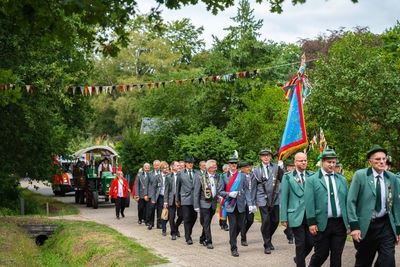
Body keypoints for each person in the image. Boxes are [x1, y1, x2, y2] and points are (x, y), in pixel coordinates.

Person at [347, 145, 400, 267]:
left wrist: (398, 228)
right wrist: (354, 226)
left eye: (383, 159)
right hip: (367, 226)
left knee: (388, 261)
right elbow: (351, 201)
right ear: (370, 162)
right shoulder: (360, 175)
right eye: (377, 159)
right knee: (364, 261)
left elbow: (396, 204)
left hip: (386, 225)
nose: (381, 162)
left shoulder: (391, 177)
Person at [304, 149, 348, 267]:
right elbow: (309, 203)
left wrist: (349, 222)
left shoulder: (341, 179)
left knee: (337, 255)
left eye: (334, 162)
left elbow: (346, 202)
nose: (332, 165)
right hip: (321, 224)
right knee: (321, 254)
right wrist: (311, 222)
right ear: (322, 161)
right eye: (329, 162)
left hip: (339, 224)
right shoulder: (312, 180)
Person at [281, 152, 314, 267]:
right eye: (301, 161)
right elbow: (284, 198)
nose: (304, 162)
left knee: (311, 242)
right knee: (300, 244)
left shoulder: (312, 176)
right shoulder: (287, 177)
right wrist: (284, 217)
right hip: (295, 215)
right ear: (295, 162)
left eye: (305, 160)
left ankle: (298, 258)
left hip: (310, 215)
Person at [218, 159, 255, 257]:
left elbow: (246, 190)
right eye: (231, 163)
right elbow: (220, 191)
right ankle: (234, 248)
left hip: (241, 204)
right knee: (233, 226)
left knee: (240, 225)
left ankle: (232, 239)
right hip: (230, 205)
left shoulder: (242, 175)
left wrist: (250, 204)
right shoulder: (223, 176)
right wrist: (229, 194)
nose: (233, 165)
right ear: (228, 165)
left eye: (235, 163)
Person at [252, 148, 284, 254]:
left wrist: (282, 168)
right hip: (262, 198)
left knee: (275, 221)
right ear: (261, 157)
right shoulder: (256, 169)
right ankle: (266, 244)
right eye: (264, 155)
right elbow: (253, 187)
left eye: (268, 155)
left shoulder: (276, 167)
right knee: (266, 221)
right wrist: (252, 203)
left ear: (270, 157)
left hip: (274, 198)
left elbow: (282, 178)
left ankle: (268, 238)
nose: (266, 157)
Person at [193, 159, 220, 249]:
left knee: (206, 223)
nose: (216, 169)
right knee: (207, 222)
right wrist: (196, 205)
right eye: (214, 167)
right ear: (209, 168)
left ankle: (202, 238)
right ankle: (209, 241)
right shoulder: (200, 177)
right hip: (204, 203)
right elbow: (196, 192)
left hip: (213, 203)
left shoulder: (217, 177)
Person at [176, 155, 198, 245]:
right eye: (189, 163)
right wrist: (177, 199)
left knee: (194, 217)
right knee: (187, 217)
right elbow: (177, 187)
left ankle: (189, 231)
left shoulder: (197, 173)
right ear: (185, 164)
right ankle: (188, 236)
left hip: (195, 199)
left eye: (192, 163)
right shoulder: (180, 173)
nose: (190, 164)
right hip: (185, 198)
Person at [239, 160, 257, 247]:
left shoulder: (252, 175)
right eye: (246, 167)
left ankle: (243, 232)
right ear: (242, 169)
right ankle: (243, 238)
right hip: (242, 201)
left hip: (251, 201)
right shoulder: (238, 176)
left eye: (249, 167)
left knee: (250, 220)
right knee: (242, 221)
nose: (248, 169)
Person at [163, 161, 183, 240]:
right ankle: (173, 233)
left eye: (179, 166)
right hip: (171, 198)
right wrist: (165, 201)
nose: (179, 167)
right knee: (171, 216)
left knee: (181, 215)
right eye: (177, 166)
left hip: (180, 198)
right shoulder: (168, 176)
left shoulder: (181, 175)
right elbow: (166, 190)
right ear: (173, 167)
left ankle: (176, 227)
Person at [154, 161, 169, 236]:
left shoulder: (170, 176)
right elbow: (154, 187)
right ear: (161, 169)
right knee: (162, 213)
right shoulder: (158, 177)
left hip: (169, 197)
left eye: (167, 167)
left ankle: (164, 224)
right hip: (161, 197)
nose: (166, 169)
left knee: (169, 214)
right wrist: (154, 198)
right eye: (164, 168)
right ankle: (164, 229)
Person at [283, 158, 295, 244]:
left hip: (296, 201)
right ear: (287, 167)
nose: (293, 168)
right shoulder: (285, 176)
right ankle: (290, 236)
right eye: (291, 166)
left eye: (294, 166)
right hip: (288, 200)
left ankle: (288, 231)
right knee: (290, 219)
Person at [146, 160, 161, 230]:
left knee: (159, 210)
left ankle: (159, 224)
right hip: (151, 194)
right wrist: (146, 194)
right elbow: (146, 185)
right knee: (151, 209)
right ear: (154, 166)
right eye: (156, 165)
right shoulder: (149, 173)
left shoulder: (163, 173)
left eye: (158, 165)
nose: (157, 166)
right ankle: (151, 223)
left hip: (160, 194)